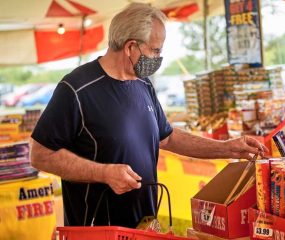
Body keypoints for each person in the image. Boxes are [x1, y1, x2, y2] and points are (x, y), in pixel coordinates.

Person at [30, 2, 267, 228]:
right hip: (96, 229)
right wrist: (103, 173)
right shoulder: (76, 89)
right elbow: (40, 155)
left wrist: (226, 148)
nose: (158, 58)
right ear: (131, 46)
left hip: (143, 224)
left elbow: (168, 137)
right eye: (155, 50)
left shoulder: (144, 84)